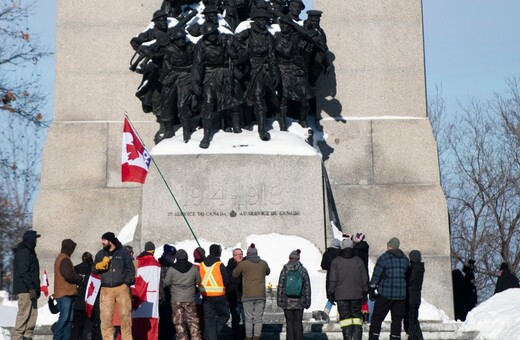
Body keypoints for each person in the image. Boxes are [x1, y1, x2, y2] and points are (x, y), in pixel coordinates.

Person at [191, 22, 245, 148]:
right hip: (211, 74)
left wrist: (235, 55)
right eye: (208, 35)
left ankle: (236, 126)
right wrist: (196, 82)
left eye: (213, 34)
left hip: (228, 72)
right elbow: (197, 64)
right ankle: (206, 134)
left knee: (234, 98)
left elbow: (244, 54)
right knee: (209, 102)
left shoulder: (229, 39)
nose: (212, 37)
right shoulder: (201, 44)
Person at [236, 9, 280, 141]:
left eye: (265, 20)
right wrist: (241, 54)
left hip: (262, 70)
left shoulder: (269, 37)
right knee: (248, 98)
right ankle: (248, 121)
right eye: (261, 19)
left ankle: (262, 129)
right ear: (255, 20)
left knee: (259, 96)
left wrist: (275, 73)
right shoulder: (247, 33)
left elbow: (272, 57)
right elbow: (233, 43)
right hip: (248, 69)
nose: (263, 22)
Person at [92, 232, 136, 340]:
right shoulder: (100, 254)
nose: (102, 242)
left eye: (104, 240)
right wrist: (99, 266)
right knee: (106, 319)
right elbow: (93, 270)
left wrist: (126, 284)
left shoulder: (124, 253)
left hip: (122, 288)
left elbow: (131, 269)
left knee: (125, 318)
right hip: (106, 289)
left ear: (110, 241)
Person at [368, 237, 409, 340]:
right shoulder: (405, 259)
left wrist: (372, 288)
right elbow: (407, 276)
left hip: (385, 293)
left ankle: (374, 337)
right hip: (401, 295)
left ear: (390, 246)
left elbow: (377, 275)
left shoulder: (384, 258)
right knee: (397, 320)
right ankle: (395, 338)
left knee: (377, 318)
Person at [327, 238, 368, 340]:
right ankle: (357, 337)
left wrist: (331, 293)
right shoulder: (358, 261)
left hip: (341, 295)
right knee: (357, 318)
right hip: (357, 295)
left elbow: (332, 279)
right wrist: (365, 291)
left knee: (345, 319)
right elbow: (364, 278)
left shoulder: (336, 262)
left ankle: (347, 337)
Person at [232, 243, 271, 340]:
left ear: (248, 254)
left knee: (248, 319)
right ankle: (257, 337)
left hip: (247, 296)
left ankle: (248, 337)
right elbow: (268, 272)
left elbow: (234, 274)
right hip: (260, 296)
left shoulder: (244, 264)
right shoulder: (263, 263)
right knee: (258, 319)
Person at [163, 249, 202, 340]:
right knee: (193, 322)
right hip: (190, 299)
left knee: (179, 323)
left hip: (176, 300)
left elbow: (167, 282)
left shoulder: (172, 269)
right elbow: (198, 281)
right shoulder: (193, 269)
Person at [12, 230, 41, 340]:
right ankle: (17, 338)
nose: (36, 241)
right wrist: (31, 287)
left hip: (32, 289)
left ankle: (27, 337)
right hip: (25, 289)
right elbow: (23, 271)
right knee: (23, 316)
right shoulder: (23, 251)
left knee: (32, 318)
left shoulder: (30, 251)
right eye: (35, 239)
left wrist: (36, 289)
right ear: (31, 239)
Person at [53, 239, 84, 340]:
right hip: (65, 293)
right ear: (69, 248)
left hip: (66, 293)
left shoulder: (61, 257)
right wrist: (79, 278)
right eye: (72, 249)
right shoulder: (64, 259)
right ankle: (57, 338)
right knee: (64, 319)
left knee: (68, 320)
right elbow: (68, 275)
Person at [277, 249, 311, 340]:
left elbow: (280, 286)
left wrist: (279, 301)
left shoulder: (285, 270)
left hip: (287, 302)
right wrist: (308, 301)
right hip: (300, 302)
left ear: (289, 258)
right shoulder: (303, 270)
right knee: (298, 323)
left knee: (289, 323)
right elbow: (307, 287)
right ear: (298, 259)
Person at [199, 244, 230, 340]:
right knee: (224, 315)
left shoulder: (202, 264)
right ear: (218, 252)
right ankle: (212, 336)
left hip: (206, 296)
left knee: (209, 319)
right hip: (219, 296)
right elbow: (227, 281)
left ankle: (210, 336)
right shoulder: (219, 265)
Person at [132, 241, 161, 339]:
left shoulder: (136, 262)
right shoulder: (156, 264)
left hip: (136, 301)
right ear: (153, 251)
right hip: (151, 301)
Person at [71, 251, 94, 340]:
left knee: (76, 328)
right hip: (89, 303)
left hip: (77, 301)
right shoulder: (93, 271)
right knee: (87, 329)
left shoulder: (76, 269)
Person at [404, 250, 425, 340]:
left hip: (410, 297)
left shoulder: (412, 269)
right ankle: (418, 337)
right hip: (417, 297)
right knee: (414, 320)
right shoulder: (420, 267)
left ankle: (413, 337)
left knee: (411, 321)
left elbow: (409, 281)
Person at [319, 238, 341, 319]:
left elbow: (323, 265)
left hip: (330, 277)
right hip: (339, 277)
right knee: (340, 297)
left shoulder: (327, 253)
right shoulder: (341, 254)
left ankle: (325, 313)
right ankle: (339, 315)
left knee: (331, 297)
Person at [159, 244, 177, 340]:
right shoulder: (170, 267)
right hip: (168, 297)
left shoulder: (159, 264)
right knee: (168, 321)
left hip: (162, 297)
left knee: (164, 320)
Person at [226, 248, 245, 340]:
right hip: (234, 298)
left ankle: (245, 336)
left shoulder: (247, 265)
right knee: (236, 319)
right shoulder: (229, 267)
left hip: (245, 297)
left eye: (241, 254)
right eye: (237, 254)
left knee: (247, 319)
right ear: (233, 256)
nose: (240, 256)